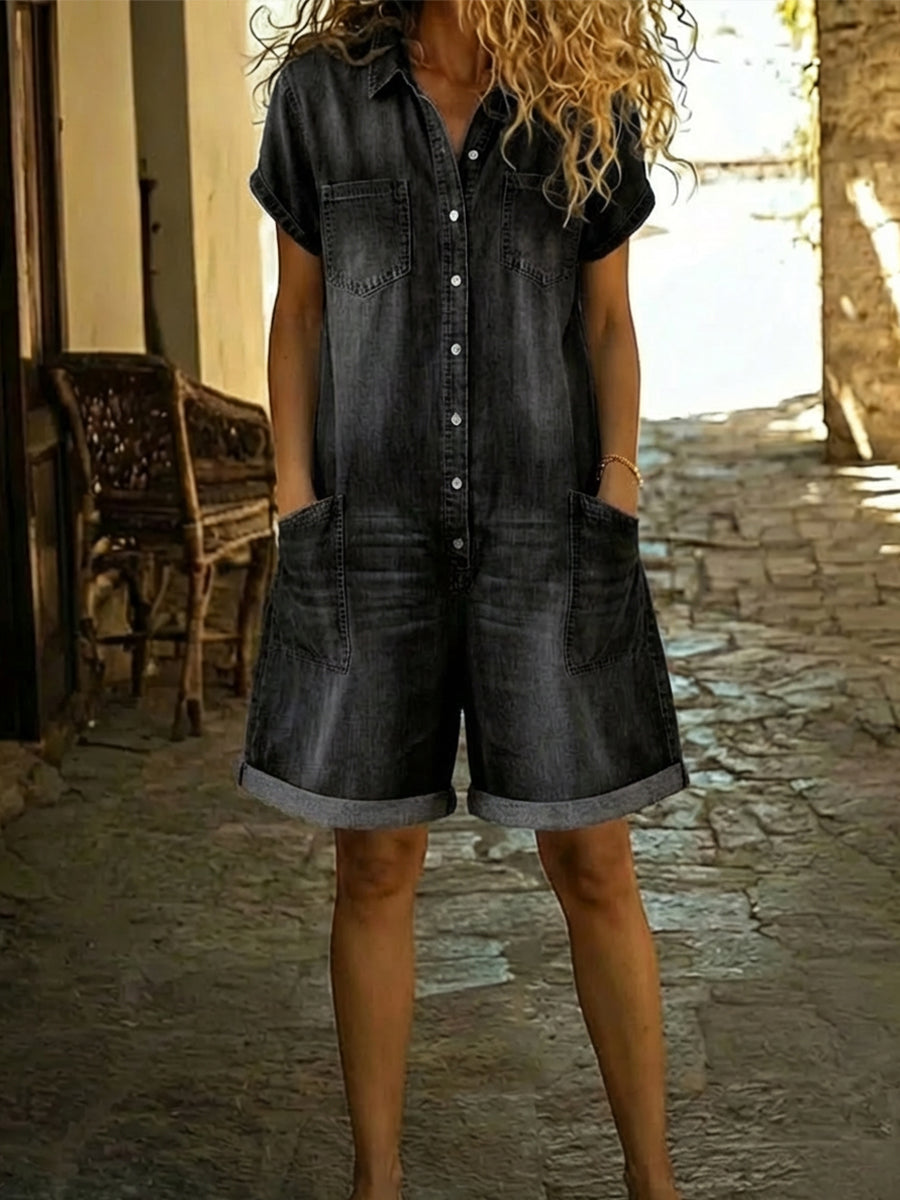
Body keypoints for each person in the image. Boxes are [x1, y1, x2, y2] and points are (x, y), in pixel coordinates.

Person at [237, 2, 697, 1198]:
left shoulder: (583, 95)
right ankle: (377, 1182)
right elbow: (298, 315)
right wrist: (297, 503)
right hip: (373, 529)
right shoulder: (321, 96)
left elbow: (608, 320)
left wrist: (617, 489)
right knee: (375, 864)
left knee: (594, 859)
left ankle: (654, 1183)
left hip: (544, 529)